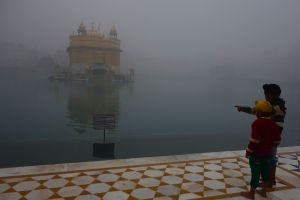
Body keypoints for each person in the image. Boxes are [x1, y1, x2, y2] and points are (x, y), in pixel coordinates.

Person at [235, 83, 286, 186]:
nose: (266, 97)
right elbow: (257, 110)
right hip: (270, 140)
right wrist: (243, 108)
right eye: (265, 94)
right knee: (268, 159)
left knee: (270, 160)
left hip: (270, 140)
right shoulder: (271, 106)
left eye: (267, 95)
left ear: (275, 95)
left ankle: (270, 181)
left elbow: (278, 126)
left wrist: (273, 141)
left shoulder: (276, 108)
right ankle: (267, 181)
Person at [241, 100, 281, 199]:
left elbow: (254, 140)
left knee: (255, 173)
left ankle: (251, 194)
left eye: (257, 110)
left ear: (260, 112)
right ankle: (263, 192)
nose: (255, 112)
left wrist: (248, 151)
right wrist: (270, 146)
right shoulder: (273, 123)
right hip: (267, 154)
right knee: (265, 173)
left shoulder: (257, 123)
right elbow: (277, 140)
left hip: (256, 154)